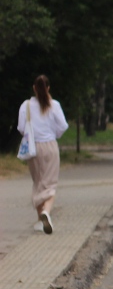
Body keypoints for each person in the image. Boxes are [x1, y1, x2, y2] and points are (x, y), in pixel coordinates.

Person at [17, 75, 68, 234]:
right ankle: (46, 211)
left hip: (33, 148)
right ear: (48, 88)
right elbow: (63, 126)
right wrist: (53, 134)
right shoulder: (54, 105)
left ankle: (40, 220)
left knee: (38, 182)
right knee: (50, 183)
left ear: (34, 88)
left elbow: (20, 127)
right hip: (50, 146)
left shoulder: (25, 106)